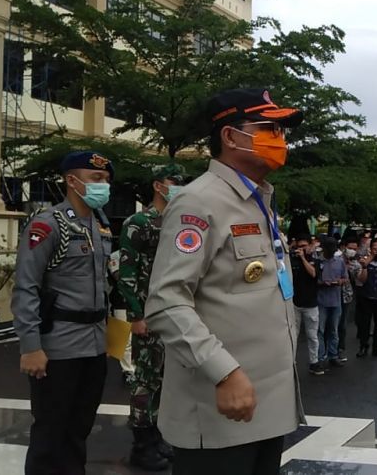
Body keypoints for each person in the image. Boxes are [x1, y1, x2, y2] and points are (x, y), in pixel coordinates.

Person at [144, 88, 304, 475]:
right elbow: (167, 302)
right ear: (230, 137)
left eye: (281, 131)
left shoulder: (258, 200)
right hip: (220, 409)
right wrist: (224, 372)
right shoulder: (200, 202)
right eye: (267, 128)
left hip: (265, 403)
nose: (279, 140)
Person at [12, 150, 115, 474]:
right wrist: (30, 347)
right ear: (72, 180)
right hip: (58, 347)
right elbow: (26, 287)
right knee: (50, 433)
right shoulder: (48, 224)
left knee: (79, 429)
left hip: (95, 344)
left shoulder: (100, 225)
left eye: (106, 180)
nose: (104, 186)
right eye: (96, 178)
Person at [115, 163, 186, 471]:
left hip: (175, 312)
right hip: (149, 313)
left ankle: (160, 438)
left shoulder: (181, 221)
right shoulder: (138, 222)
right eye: (175, 182)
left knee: (169, 379)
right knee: (146, 379)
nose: (180, 187)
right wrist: (135, 314)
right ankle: (142, 444)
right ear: (159, 186)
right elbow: (126, 271)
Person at [291, 236, 322, 375]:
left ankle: (314, 362)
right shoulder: (292, 261)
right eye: (299, 246)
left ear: (310, 246)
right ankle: (291, 363)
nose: (301, 249)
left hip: (311, 304)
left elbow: (313, 274)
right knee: (293, 335)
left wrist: (303, 258)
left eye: (304, 246)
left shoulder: (315, 261)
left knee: (312, 336)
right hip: (295, 303)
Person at [356, 240, 377, 357]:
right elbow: (362, 279)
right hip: (367, 296)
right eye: (375, 248)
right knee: (365, 323)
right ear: (371, 249)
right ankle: (363, 346)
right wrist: (371, 257)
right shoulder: (366, 260)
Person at [317, 237, 346, 370]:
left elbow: (345, 278)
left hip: (335, 300)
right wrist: (323, 283)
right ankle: (320, 356)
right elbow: (313, 279)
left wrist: (340, 281)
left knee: (333, 330)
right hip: (321, 300)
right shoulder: (318, 261)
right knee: (320, 330)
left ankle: (333, 355)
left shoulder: (340, 261)